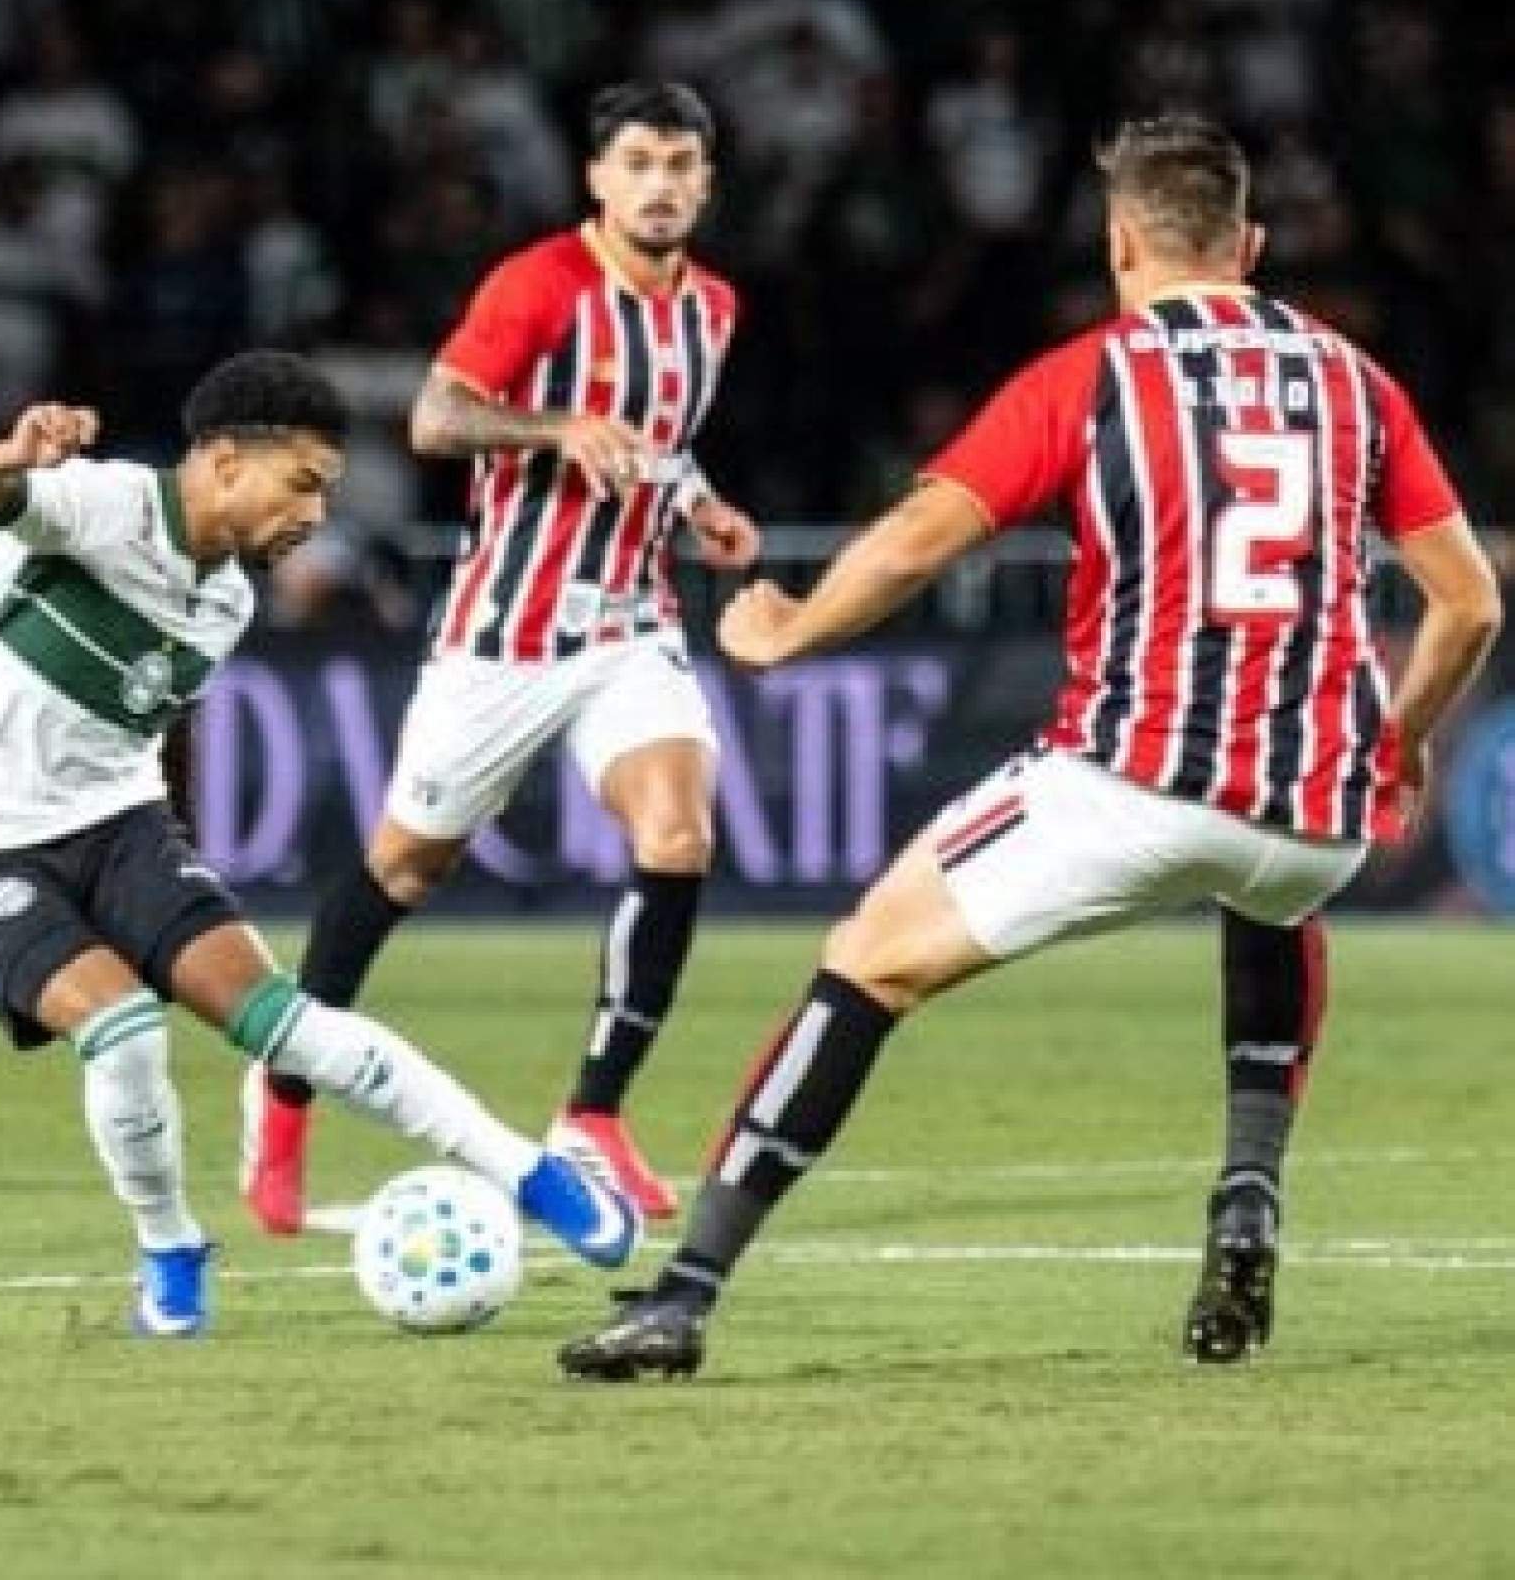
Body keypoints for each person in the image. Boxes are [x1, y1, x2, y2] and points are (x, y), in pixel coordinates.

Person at [560, 113, 1501, 1380]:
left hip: (1132, 779)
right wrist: (1397, 737)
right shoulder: (1355, 378)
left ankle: (682, 1294)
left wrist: (792, 627)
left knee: (865, 963)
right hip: (1316, 815)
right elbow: (1471, 601)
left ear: (1121, 243)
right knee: (1266, 887)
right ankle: (1247, 1191)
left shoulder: (1093, 373)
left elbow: (915, 539)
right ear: (1251, 244)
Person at [0, 351, 642, 1337]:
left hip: (117, 817)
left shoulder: (230, 600)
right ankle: (170, 1246)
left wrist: (177, 853)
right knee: (124, 1028)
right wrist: (10, 455)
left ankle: (528, 1171)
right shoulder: (101, 503)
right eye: (305, 485)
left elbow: (164, 722)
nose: (317, 516)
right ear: (228, 461)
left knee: (284, 1017)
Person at [242, 81, 761, 1235]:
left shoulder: (713, 308)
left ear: (708, 180)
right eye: (639, 161)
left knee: (679, 831)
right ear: (597, 177)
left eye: (682, 163)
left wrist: (704, 508)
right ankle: (280, 1091)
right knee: (403, 871)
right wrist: (553, 426)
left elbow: (664, 449)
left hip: (629, 623)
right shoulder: (541, 285)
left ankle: (596, 1114)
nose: (662, 183)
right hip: (504, 635)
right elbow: (435, 416)